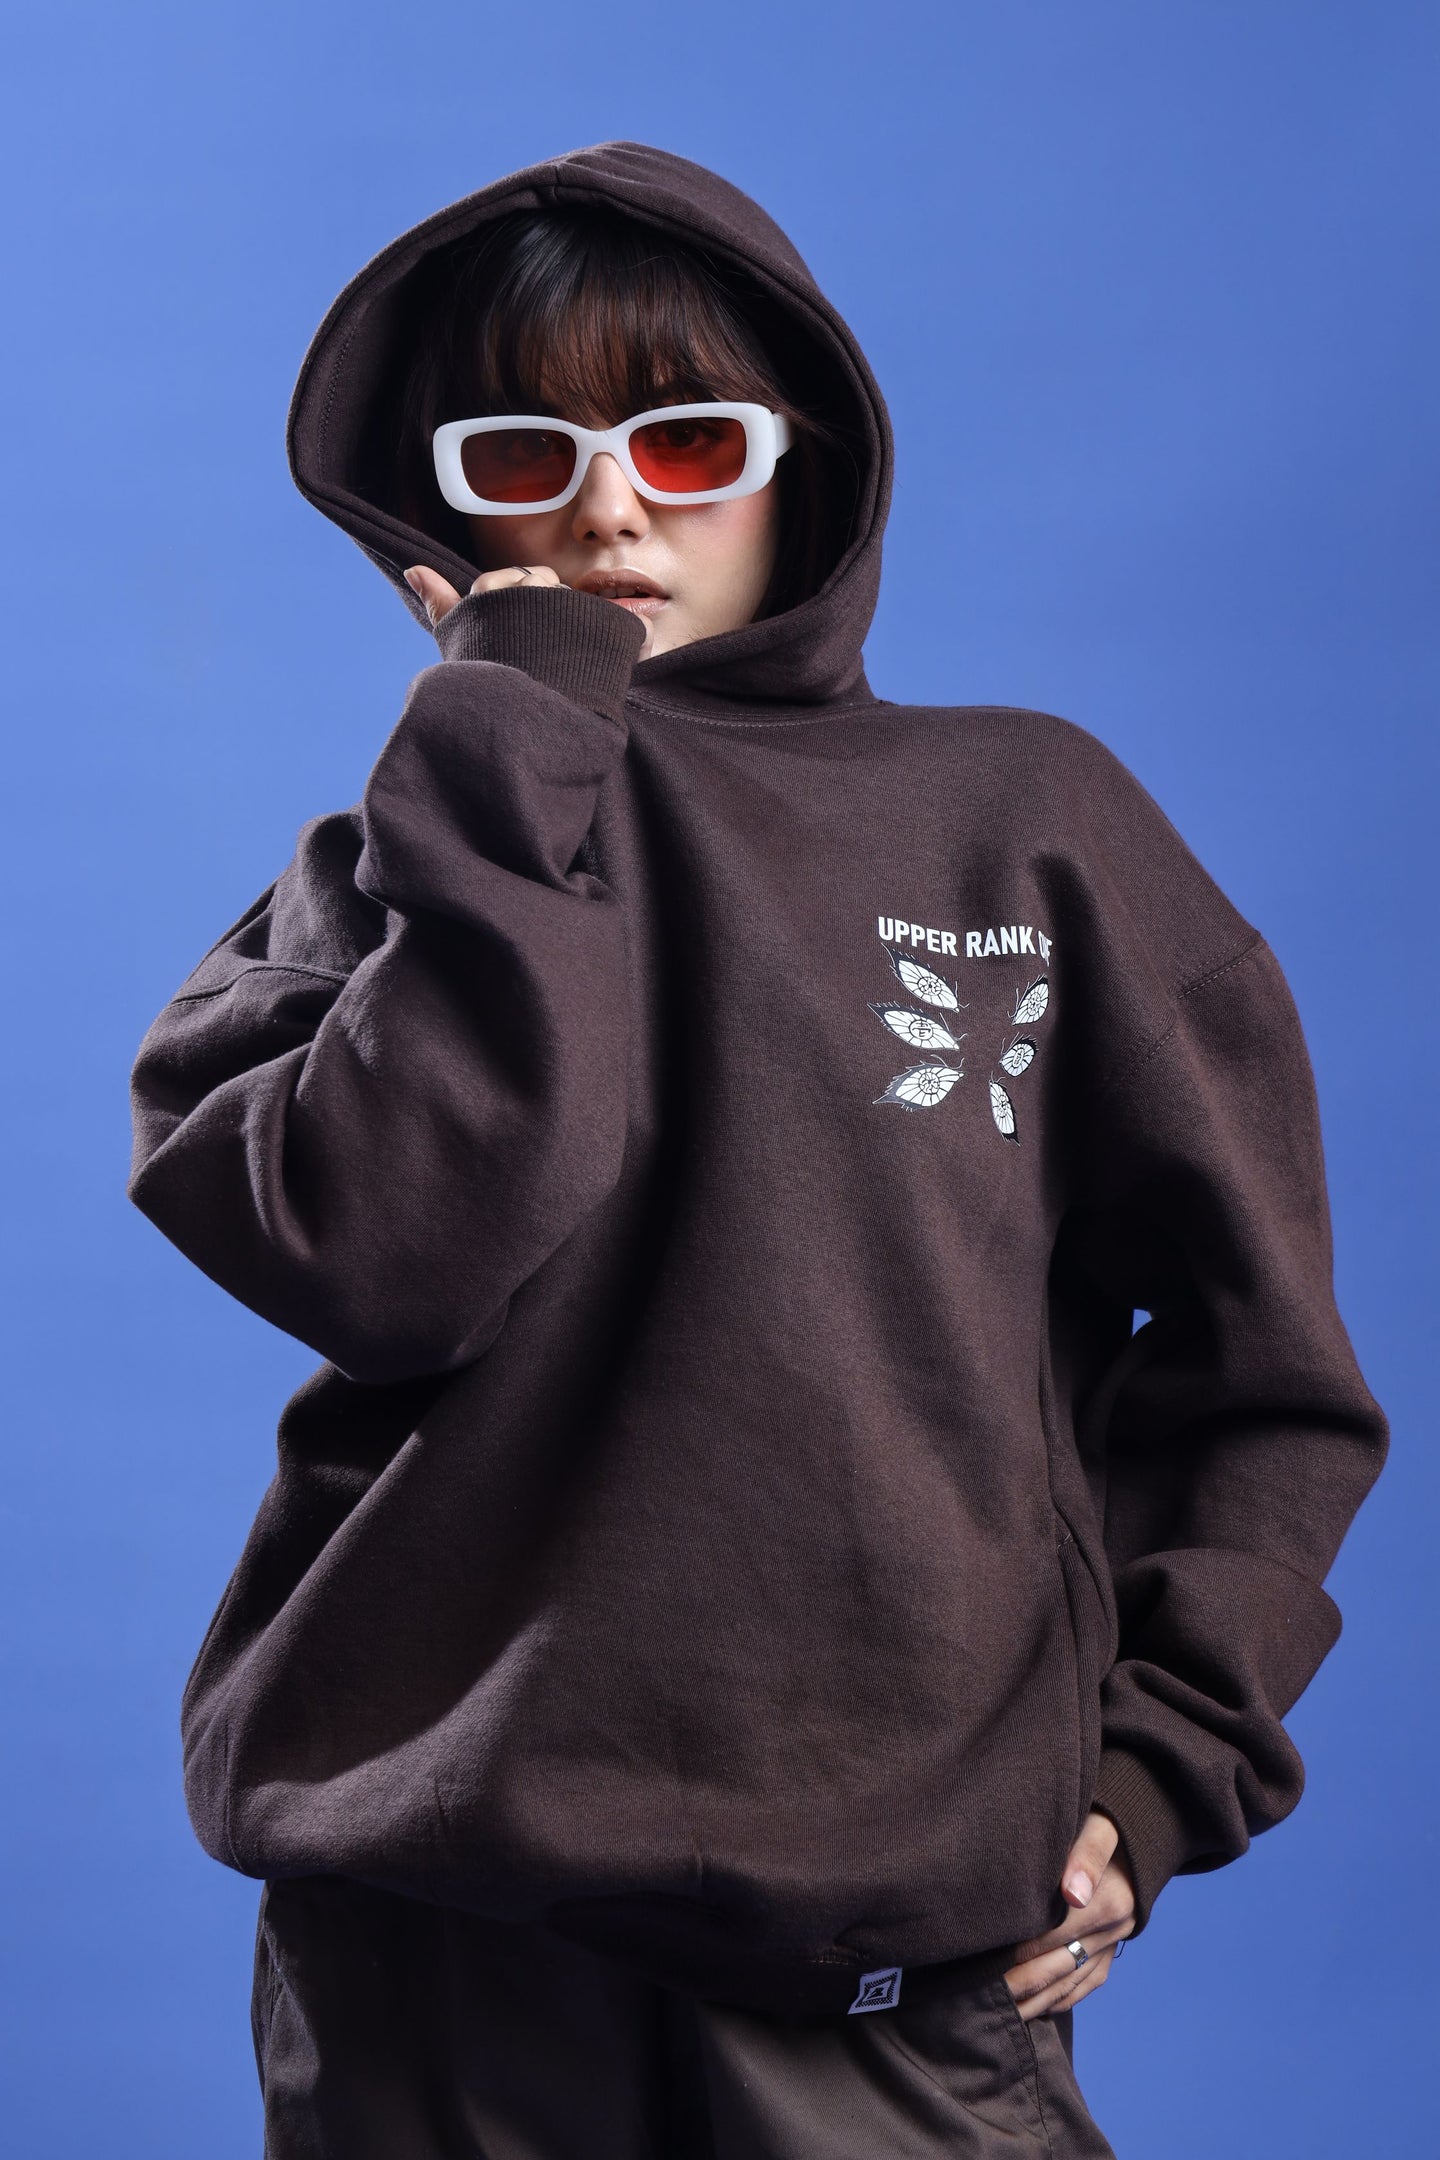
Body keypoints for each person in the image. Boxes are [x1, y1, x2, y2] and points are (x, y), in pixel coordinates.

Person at [126, 142, 1388, 2158]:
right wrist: (505, 752)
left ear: (802, 462)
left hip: (885, 1979)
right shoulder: (385, 878)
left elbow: (1271, 1381)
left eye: (686, 440)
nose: (612, 506)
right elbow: (391, 1261)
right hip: (428, 1975)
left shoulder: (1027, 826)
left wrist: (1161, 1762)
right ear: (443, 508)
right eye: (526, 455)